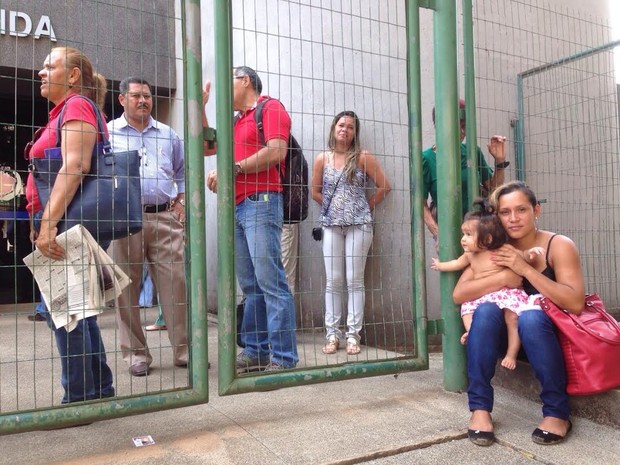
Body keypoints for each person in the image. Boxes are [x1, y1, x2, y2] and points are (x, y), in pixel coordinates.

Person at [453, 181, 585, 446]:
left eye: (521, 210)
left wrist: (524, 270)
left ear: (536, 211)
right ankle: (479, 409)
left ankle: (557, 413)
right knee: (487, 309)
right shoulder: (494, 247)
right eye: (505, 212)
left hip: (547, 338)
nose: (513, 218)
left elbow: (575, 302)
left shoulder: (558, 245)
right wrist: (505, 276)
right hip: (506, 340)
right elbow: (460, 294)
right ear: (497, 216)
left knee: (531, 317)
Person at [25, 46, 114, 403]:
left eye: (50, 66)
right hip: (63, 219)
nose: (41, 72)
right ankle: (99, 389)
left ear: (73, 75)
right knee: (78, 310)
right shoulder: (63, 111)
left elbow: (75, 165)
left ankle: (78, 397)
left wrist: (47, 224)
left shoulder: (76, 106)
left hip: (69, 222)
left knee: (62, 310)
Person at [205, 66, 298, 372]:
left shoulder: (270, 108)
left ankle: (283, 358)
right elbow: (208, 146)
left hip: (261, 202)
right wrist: (200, 108)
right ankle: (257, 351)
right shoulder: (237, 121)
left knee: (271, 282)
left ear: (245, 80)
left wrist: (235, 169)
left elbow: (277, 152)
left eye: (226, 81)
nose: (222, 90)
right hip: (238, 206)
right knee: (251, 285)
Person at [107, 77, 188, 377]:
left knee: (175, 283)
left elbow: (181, 171)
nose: (143, 101)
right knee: (125, 288)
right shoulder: (108, 133)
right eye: (136, 95)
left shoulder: (168, 134)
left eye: (147, 96)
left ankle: (184, 350)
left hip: (165, 216)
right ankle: (136, 354)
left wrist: (181, 203)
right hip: (125, 219)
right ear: (122, 99)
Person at [311, 111, 391, 356]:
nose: (344, 129)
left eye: (350, 127)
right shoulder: (322, 159)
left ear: (355, 132)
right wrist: (332, 208)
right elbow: (314, 191)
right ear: (334, 127)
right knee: (333, 281)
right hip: (332, 226)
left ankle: (353, 336)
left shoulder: (362, 157)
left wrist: (364, 206)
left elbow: (384, 186)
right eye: (341, 124)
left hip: (359, 226)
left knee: (354, 280)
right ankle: (332, 335)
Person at [431, 198, 544, 369]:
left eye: (468, 235)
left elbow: (522, 255)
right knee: (467, 310)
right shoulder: (470, 255)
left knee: (512, 317)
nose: (463, 239)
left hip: (504, 293)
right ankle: (471, 331)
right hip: (483, 296)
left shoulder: (502, 250)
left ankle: (512, 354)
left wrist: (531, 253)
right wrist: (440, 265)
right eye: (463, 234)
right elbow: (456, 263)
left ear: (488, 238)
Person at [422, 100, 508, 245]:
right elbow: (421, 204)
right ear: (439, 125)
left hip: (480, 228)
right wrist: (438, 234)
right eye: (456, 126)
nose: (462, 132)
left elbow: (494, 190)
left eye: (464, 126)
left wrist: (499, 161)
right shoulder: (426, 159)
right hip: (450, 230)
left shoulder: (472, 151)